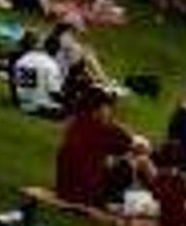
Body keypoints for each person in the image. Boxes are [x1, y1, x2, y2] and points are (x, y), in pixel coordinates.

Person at [52, 81, 136, 210]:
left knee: (111, 160)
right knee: (129, 163)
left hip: (63, 189)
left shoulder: (76, 122)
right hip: (86, 194)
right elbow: (132, 144)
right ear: (98, 109)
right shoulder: (104, 129)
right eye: (108, 107)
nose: (111, 110)